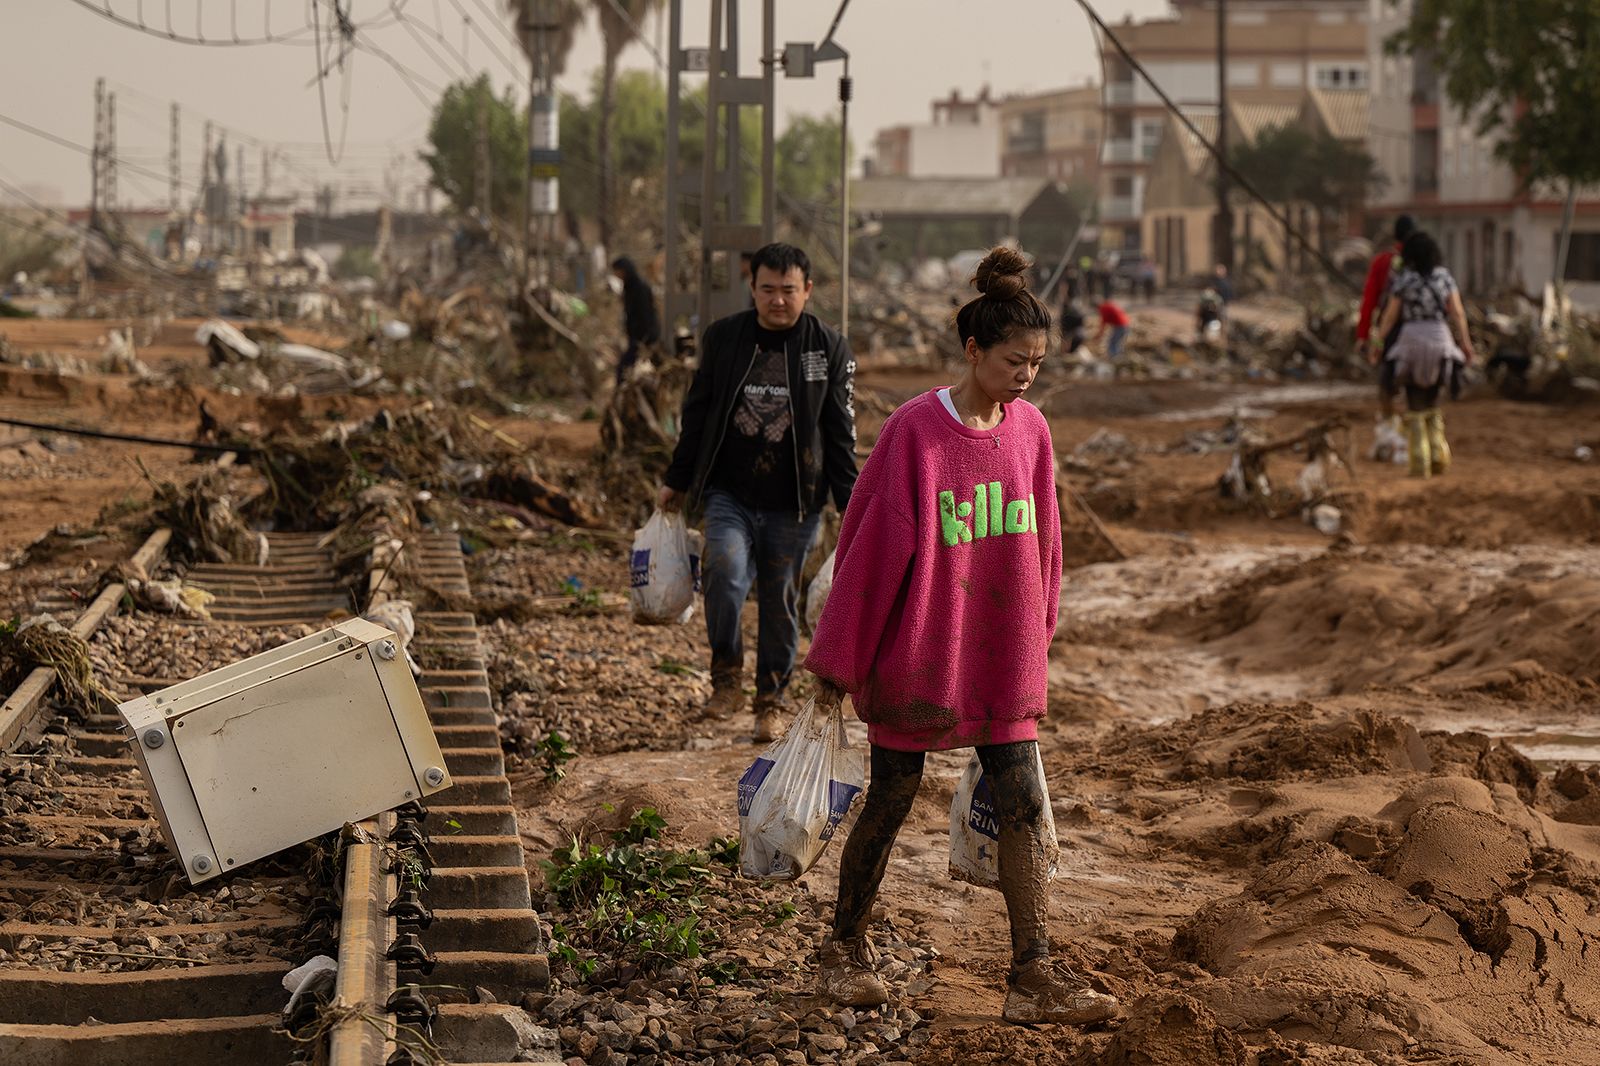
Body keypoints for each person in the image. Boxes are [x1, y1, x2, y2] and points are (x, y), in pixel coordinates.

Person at [804, 246, 1119, 1027]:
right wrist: (837, 662)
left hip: (1001, 659)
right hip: (920, 657)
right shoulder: (916, 433)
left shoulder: (1032, 433)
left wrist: (1039, 631)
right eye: (1015, 360)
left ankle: (1032, 974)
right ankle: (843, 950)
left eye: (1038, 364)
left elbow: (1046, 542)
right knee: (891, 796)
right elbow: (869, 552)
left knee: (1023, 800)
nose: (1025, 377)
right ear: (974, 350)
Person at [659, 243, 858, 741]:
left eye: (788, 290)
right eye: (766, 289)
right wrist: (678, 480)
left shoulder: (827, 349)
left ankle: (769, 699)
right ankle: (725, 676)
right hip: (730, 493)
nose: (777, 300)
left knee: (779, 599)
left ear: (807, 291)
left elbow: (839, 433)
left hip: (795, 502)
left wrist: (851, 505)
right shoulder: (725, 339)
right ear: (752, 288)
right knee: (723, 572)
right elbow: (698, 414)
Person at [1367, 230, 1476, 478]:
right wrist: (1466, 344)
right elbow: (1457, 313)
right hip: (1440, 340)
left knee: (1414, 401)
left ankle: (1419, 463)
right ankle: (1439, 457)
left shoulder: (1404, 279)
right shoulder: (1444, 277)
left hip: (1411, 341)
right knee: (1434, 399)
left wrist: (1378, 342)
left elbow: (1390, 316)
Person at [1357, 215, 1418, 427]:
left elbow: (1369, 300)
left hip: (1391, 330)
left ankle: (1389, 421)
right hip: (1421, 329)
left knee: (1387, 379)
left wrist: (1365, 336)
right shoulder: (1424, 261)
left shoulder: (1383, 261)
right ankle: (1414, 425)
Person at [611, 257, 661, 384]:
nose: (617, 275)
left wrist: (642, 338)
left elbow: (645, 315)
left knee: (624, 368)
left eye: (618, 271)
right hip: (636, 336)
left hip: (643, 337)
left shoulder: (639, 288)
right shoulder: (629, 287)